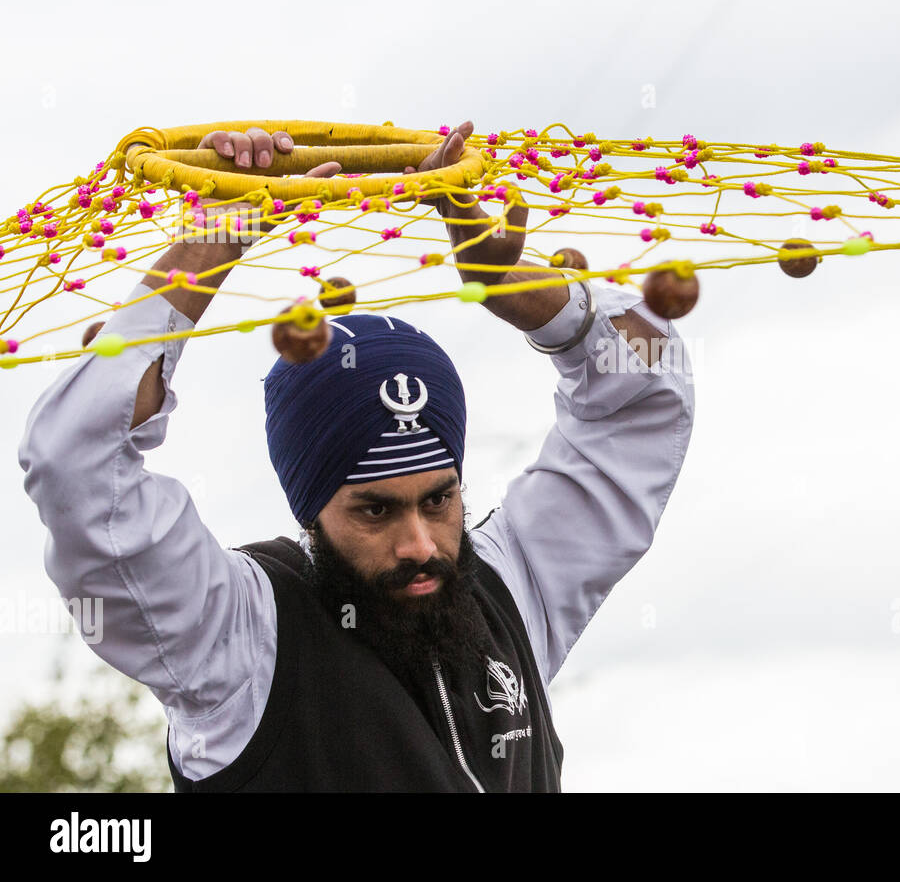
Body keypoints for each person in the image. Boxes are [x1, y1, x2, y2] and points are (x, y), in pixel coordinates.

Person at [17, 120, 695, 791]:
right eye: (375, 510)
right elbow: (75, 460)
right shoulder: (235, 641)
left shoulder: (513, 584)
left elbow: (647, 399)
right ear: (310, 512)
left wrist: (520, 291)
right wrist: (215, 238)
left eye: (440, 499)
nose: (420, 544)